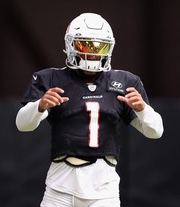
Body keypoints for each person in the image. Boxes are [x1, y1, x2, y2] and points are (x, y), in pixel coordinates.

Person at [15, 12, 164, 207]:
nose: (92, 53)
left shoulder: (126, 82)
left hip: (104, 190)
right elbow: (22, 124)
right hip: (60, 187)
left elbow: (156, 132)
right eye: (85, 45)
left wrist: (143, 110)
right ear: (71, 45)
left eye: (99, 46)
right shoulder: (51, 79)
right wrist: (40, 105)